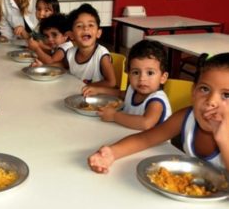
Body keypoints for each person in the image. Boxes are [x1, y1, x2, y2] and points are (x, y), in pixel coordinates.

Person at [88, 53, 229, 173]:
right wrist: (112, 153)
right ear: (193, 92)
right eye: (204, 89)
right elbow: (146, 139)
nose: (211, 101)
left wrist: (224, 141)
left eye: (226, 95)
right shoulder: (187, 117)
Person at [83, 40, 172, 130]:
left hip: (154, 143)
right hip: (129, 135)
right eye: (136, 72)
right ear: (129, 74)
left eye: (150, 73)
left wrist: (114, 116)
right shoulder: (133, 89)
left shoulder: (156, 101)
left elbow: (146, 123)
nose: (142, 78)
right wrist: (98, 90)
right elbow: (120, 94)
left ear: (163, 78)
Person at [34, 4, 116, 88]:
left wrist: (86, 87)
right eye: (79, 26)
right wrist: (42, 66)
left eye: (90, 25)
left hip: (95, 97)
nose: (85, 28)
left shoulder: (101, 55)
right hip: (75, 94)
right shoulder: (71, 52)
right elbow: (62, 66)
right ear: (71, 35)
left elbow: (111, 82)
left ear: (98, 33)